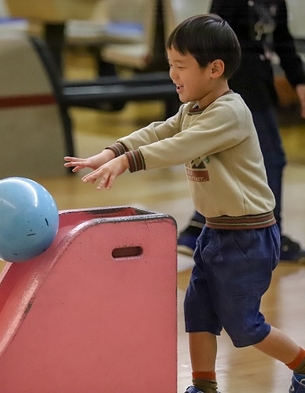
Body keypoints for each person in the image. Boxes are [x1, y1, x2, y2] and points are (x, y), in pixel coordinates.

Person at [64, 14, 305, 393]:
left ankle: (304, 366)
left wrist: (126, 162)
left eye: (180, 66)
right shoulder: (192, 108)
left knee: (244, 327)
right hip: (215, 232)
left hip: (248, 239)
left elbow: (178, 146)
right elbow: (158, 131)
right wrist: (111, 151)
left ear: (215, 69)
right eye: (171, 65)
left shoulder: (230, 113)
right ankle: (204, 386)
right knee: (198, 313)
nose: (173, 75)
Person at [177, 0, 305, 263]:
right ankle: (272, 237)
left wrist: (300, 81)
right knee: (271, 160)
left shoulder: (276, 2)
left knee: (228, 163)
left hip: (258, 87)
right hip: (237, 90)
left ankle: (197, 228)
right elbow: (211, 38)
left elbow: (282, 40)